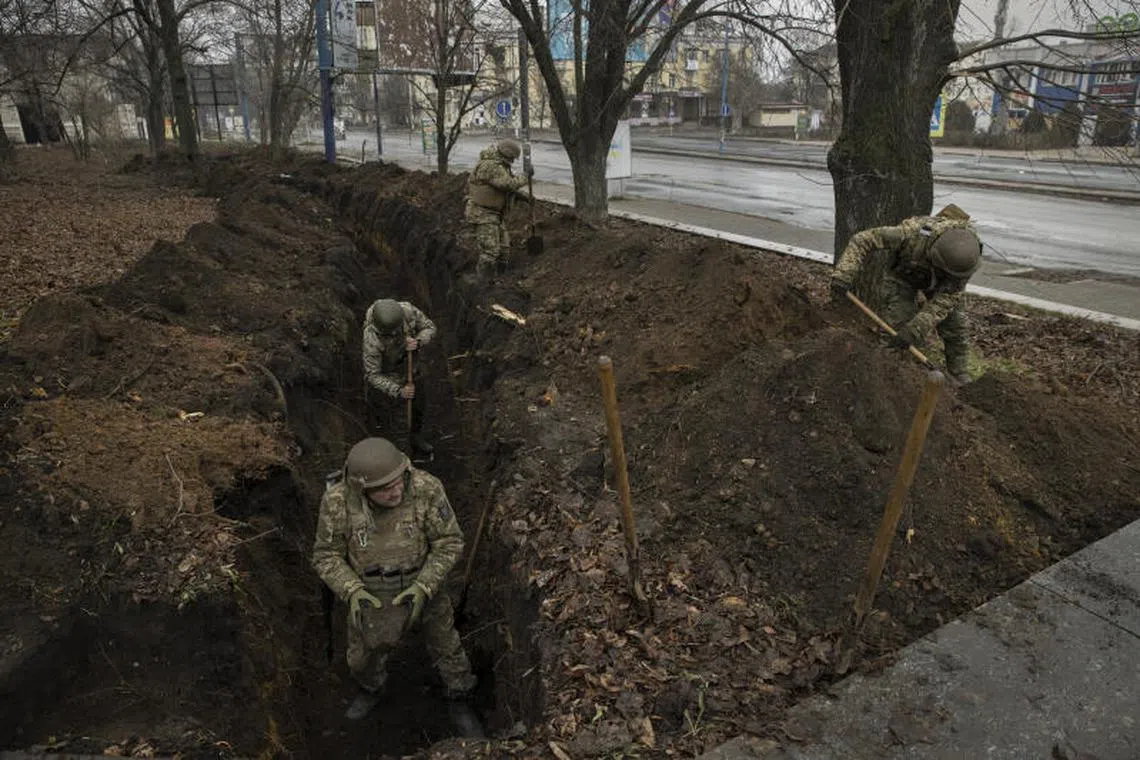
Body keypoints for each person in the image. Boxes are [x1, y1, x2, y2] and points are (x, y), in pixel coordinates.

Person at [311, 437, 482, 736]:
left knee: (447, 646)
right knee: (362, 659)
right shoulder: (338, 503)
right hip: (371, 595)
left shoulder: (426, 488)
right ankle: (371, 688)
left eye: (399, 481)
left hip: (423, 585)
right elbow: (326, 555)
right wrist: (352, 590)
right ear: (363, 490)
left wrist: (425, 586)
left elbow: (449, 541)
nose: (397, 490)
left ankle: (460, 697)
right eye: (385, 489)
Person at [830, 204, 982, 385]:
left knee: (956, 325)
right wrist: (844, 274)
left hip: (942, 285)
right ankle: (886, 372)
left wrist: (915, 330)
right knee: (895, 329)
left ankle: (958, 375)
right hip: (904, 276)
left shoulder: (966, 259)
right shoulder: (911, 234)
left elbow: (945, 301)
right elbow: (863, 239)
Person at [362, 298, 437, 455]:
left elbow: (429, 327)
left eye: (398, 329)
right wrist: (397, 390)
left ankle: (415, 436)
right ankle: (401, 452)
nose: (396, 334)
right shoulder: (371, 339)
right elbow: (373, 375)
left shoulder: (407, 311)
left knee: (418, 405)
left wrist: (418, 341)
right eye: (391, 333)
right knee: (397, 419)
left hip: (412, 366)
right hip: (389, 374)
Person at [464, 138, 532, 276]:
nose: (513, 161)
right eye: (512, 158)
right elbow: (507, 184)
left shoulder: (499, 166)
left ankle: (500, 281)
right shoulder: (491, 166)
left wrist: (521, 196)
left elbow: (501, 187)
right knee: (490, 252)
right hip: (482, 214)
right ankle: (483, 284)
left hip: (495, 215)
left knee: (504, 249)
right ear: (506, 154)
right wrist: (525, 176)